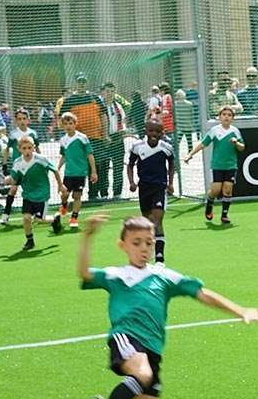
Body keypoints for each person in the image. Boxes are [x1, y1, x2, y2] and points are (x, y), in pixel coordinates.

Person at [70, 212, 258, 399]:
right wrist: (87, 236)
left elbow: (202, 293)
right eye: (136, 243)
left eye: (149, 243)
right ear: (122, 245)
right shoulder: (117, 275)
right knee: (142, 373)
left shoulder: (163, 276)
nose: (144, 248)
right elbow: (84, 273)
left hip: (153, 349)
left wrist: (241, 310)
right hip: (126, 337)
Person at [127, 117, 176, 263]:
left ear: (162, 132)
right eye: (151, 130)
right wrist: (132, 182)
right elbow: (130, 165)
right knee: (148, 223)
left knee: (157, 219)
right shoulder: (137, 147)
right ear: (145, 131)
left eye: (157, 131)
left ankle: (160, 258)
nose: (154, 133)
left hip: (159, 187)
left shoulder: (166, 147)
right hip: (144, 188)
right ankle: (148, 252)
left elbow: (172, 165)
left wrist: (171, 183)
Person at [188, 105, 244, 225]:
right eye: (224, 115)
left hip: (231, 165)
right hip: (217, 165)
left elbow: (242, 147)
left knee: (227, 190)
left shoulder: (235, 131)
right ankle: (209, 203)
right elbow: (203, 143)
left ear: (232, 118)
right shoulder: (215, 130)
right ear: (219, 117)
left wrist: (236, 143)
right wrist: (190, 154)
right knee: (215, 190)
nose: (226, 117)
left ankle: (224, 215)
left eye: (229, 115)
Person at [3, 134, 56, 250]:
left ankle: (55, 219)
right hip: (27, 195)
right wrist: (8, 180)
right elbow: (15, 179)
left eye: (29, 148)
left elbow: (55, 170)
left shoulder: (41, 159)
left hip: (42, 194)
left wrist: (61, 186)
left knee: (39, 220)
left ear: (34, 147)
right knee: (26, 218)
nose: (27, 151)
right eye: (24, 148)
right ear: (19, 149)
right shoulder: (17, 163)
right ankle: (29, 241)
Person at [55, 111, 98, 230]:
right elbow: (63, 156)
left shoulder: (82, 138)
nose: (68, 125)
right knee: (65, 194)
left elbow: (90, 154)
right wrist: (57, 168)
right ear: (62, 125)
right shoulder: (63, 140)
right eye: (65, 123)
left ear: (75, 124)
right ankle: (64, 205)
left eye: (70, 123)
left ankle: (74, 218)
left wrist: (93, 171)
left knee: (77, 196)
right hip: (68, 173)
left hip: (80, 172)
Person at [0, 108, 39, 227]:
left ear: (28, 120)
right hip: (18, 168)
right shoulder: (13, 134)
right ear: (16, 121)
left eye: (24, 118)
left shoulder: (33, 133)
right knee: (13, 189)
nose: (22, 121)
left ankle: (36, 213)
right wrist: (5, 165)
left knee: (33, 189)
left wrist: (42, 163)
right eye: (19, 119)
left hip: (31, 168)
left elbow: (37, 149)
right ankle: (5, 215)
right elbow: (7, 150)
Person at [97, 82, 130, 200]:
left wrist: (124, 131)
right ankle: (104, 193)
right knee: (103, 167)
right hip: (103, 139)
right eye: (107, 91)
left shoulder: (118, 106)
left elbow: (123, 121)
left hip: (117, 138)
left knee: (118, 166)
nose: (110, 94)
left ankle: (117, 193)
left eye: (112, 91)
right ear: (102, 92)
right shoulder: (99, 106)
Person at [53, 73, 105, 141]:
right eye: (79, 82)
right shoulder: (69, 100)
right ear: (75, 84)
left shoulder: (95, 98)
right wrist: (69, 133)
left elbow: (103, 115)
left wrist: (105, 134)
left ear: (87, 83)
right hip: (77, 139)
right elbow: (61, 118)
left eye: (84, 82)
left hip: (96, 137)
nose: (81, 84)